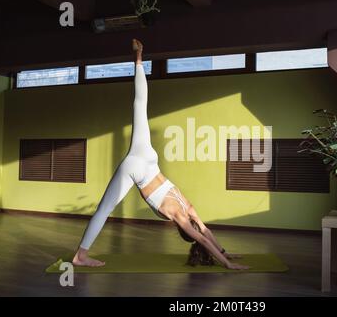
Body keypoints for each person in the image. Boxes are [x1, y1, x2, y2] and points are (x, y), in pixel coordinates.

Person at [72, 39, 250, 270]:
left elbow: (205, 232)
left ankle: (138, 58)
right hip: (138, 169)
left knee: (140, 104)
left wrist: (227, 255)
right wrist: (227, 262)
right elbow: (203, 238)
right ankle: (80, 256)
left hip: (147, 156)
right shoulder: (180, 216)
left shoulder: (188, 207)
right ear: (182, 231)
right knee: (104, 210)